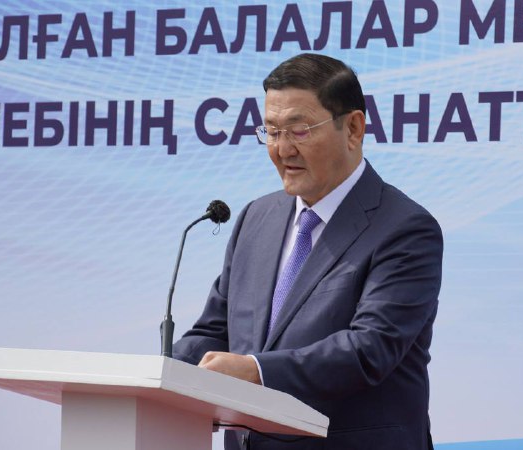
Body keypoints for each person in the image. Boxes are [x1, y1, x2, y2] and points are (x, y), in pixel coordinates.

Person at [173, 53, 443, 450]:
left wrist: (256, 371)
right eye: (271, 132)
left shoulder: (404, 228)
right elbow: (216, 331)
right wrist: (163, 371)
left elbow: (369, 349)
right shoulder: (256, 218)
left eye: (299, 131)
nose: (282, 149)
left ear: (353, 128)